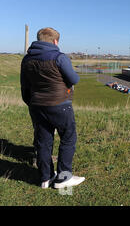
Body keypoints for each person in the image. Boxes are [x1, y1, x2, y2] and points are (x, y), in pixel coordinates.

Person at [20, 27, 85, 189]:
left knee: (43, 142)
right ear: (55, 41)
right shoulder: (59, 57)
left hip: (36, 105)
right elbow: (74, 79)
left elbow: (24, 85)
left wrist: (31, 102)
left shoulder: (26, 59)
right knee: (68, 138)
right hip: (59, 104)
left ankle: (45, 178)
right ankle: (64, 178)